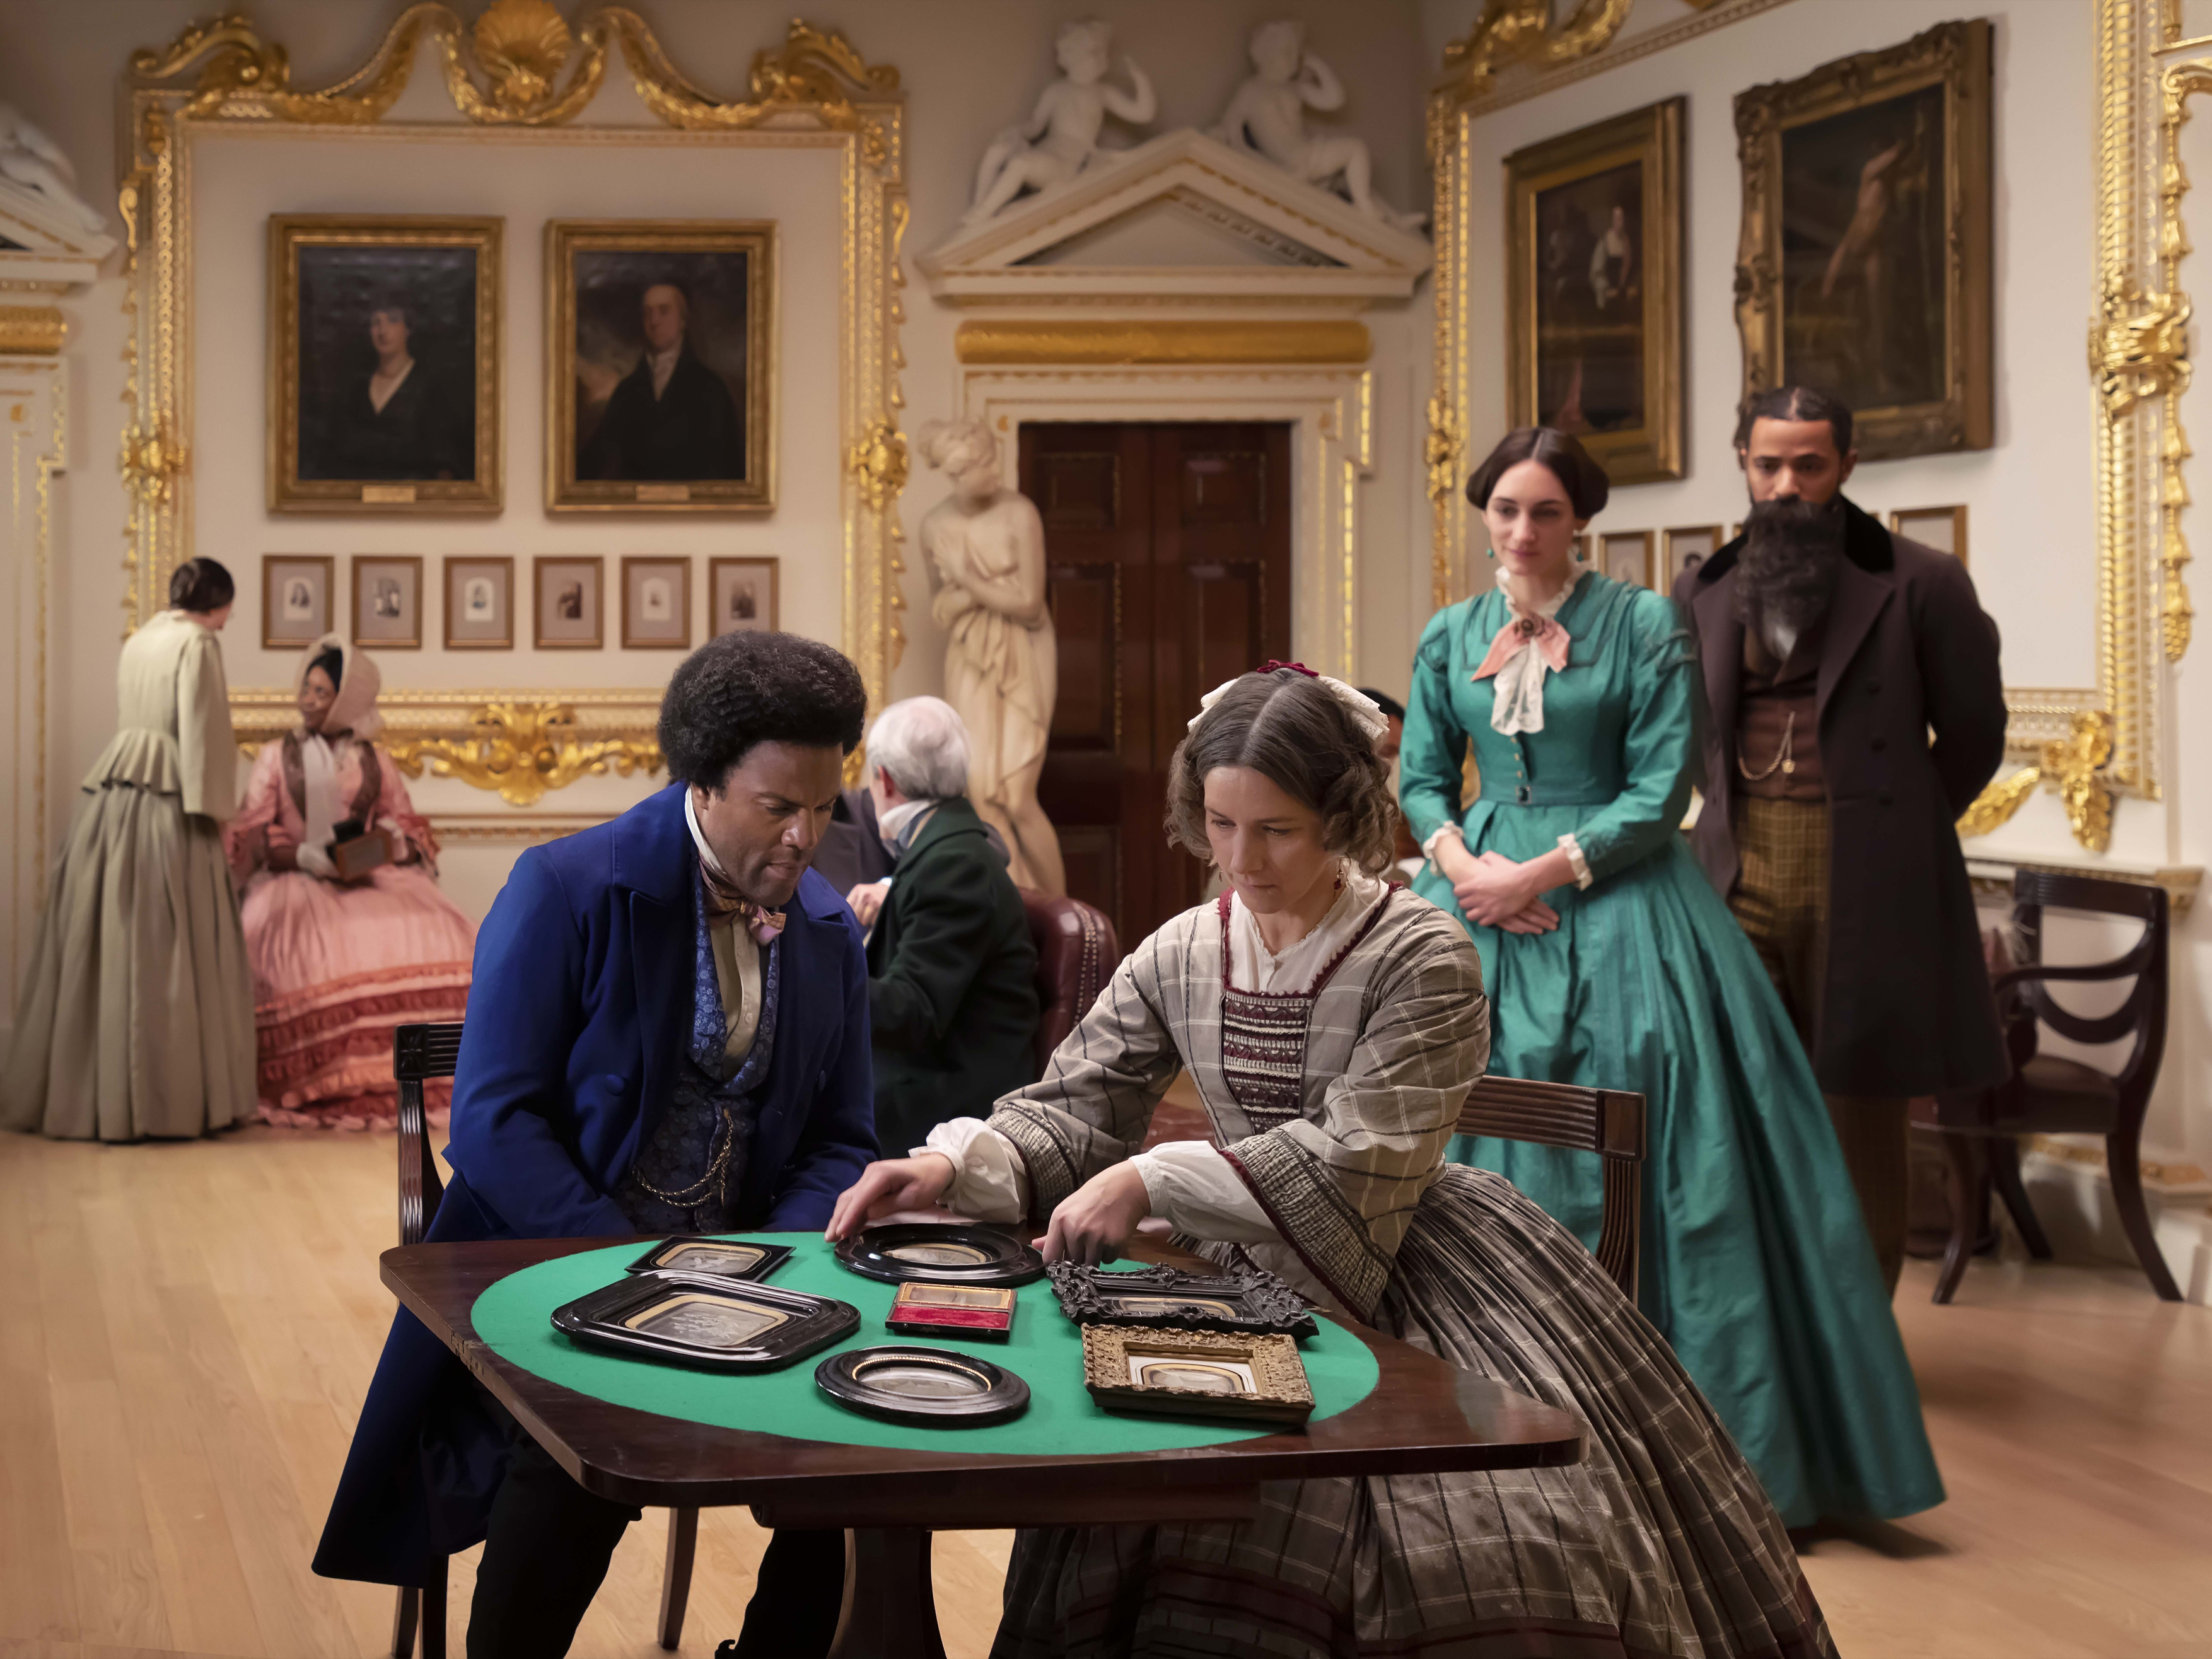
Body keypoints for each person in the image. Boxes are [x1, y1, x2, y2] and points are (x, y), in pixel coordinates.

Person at [829, 665, 1839, 1659]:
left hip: (1410, 1257)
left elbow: (1362, 1156)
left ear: (1343, 814)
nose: (1242, 859)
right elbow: (1079, 1102)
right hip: (1214, 1270)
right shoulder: (1183, 948)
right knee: (1131, 1476)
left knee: (1498, 1530)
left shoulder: (1424, 954)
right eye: (1222, 824)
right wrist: (951, 1168)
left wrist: (1153, 1177)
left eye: (1277, 829)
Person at [1399, 426, 1943, 1529]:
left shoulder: (1645, 622)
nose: (1519, 530)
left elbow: (1661, 790)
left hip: (1622, 904)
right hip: (1478, 893)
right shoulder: (1448, 634)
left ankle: (1676, 1451)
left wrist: (1543, 871)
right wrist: (1464, 870)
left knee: (1670, 1140)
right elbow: (1418, 777)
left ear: (1579, 521)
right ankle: (1446, 1418)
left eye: (1543, 511)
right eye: (1503, 508)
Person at [312, 631, 878, 1658]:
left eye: (822, 806)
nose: (805, 835)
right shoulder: (565, 889)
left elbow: (841, 1139)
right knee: (581, 1449)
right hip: (566, 1262)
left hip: (758, 1285)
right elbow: (493, 1122)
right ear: (702, 782)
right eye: (777, 806)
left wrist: (781, 1267)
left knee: (860, 1450)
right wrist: (630, 1267)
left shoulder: (830, 933)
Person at [1675, 385, 2008, 1291]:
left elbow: (1977, 736)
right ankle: (1767, 1328)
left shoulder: (1925, 581)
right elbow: (1695, 733)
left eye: (1809, 465)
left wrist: (1893, 822)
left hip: (1867, 870)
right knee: (1738, 1095)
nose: (1787, 485)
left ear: (1847, 467)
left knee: (1861, 1103)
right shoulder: (1702, 587)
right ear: (1743, 463)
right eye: (1768, 464)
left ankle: (1865, 1343)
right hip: (1734, 864)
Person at [4, 557, 255, 1140]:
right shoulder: (199, 644)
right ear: (216, 604)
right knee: (170, 953)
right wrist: (218, 814)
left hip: (115, 802)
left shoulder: (140, 639)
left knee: (118, 948)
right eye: (227, 610)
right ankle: (168, 1104)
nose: (227, 621)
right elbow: (203, 733)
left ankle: (100, 1096)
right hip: (173, 808)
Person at [223, 635, 475, 1127]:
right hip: (293, 878)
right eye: (307, 689)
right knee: (272, 937)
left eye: (321, 693)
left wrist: (383, 846)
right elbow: (250, 829)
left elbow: (404, 822)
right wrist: (299, 853)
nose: (307, 701)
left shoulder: (373, 759)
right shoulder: (277, 756)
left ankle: (424, 1072)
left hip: (369, 878)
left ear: (347, 701)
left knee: (445, 931)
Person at [839, 697, 1038, 1155]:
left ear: (884, 779)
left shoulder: (953, 863)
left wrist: (813, 971)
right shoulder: (945, 850)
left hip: (955, 1099)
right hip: (932, 1073)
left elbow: (913, 1013)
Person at [916, 416, 1065, 894]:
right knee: (980, 791)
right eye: (980, 465)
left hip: (1023, 654)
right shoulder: (935, 525)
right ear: (956, 472)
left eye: (991, 458)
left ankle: (1067, 914)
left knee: (1018, 795)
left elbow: (1028, 604)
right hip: (970, 657)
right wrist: (979, 590)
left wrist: (969, 579)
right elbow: (943, 608)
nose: (993, 472)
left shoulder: (1021, 514)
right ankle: (1018, 908)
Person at [579, 281, 743, 481]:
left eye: (664, 311)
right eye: (647, 313)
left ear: (683, 320)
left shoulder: (711, 388)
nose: (654, 321)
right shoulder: (628, 391)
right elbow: (597, 456)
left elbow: (729, 469)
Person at [311, 301, 469, 482]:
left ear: (408, 329)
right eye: (376, 323)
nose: (382, 331)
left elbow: (444, 464)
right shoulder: (356, 389)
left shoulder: (430, 385)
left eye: (393, 321)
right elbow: (335, 455)